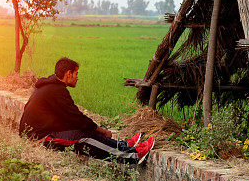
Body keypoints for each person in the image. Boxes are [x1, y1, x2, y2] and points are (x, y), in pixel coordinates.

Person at [19, 57, 154, 164]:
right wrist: (100, 129)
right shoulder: (56, 90)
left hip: (43, 132)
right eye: (76, 74)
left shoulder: (52, 85)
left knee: (87, 129)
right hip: (38, 139)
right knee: (84, 137)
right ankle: (133, 155)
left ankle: (123, 145)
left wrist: (95, 128)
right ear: (68, 73)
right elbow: (76, 118)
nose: (77, 77)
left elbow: (73, 117)